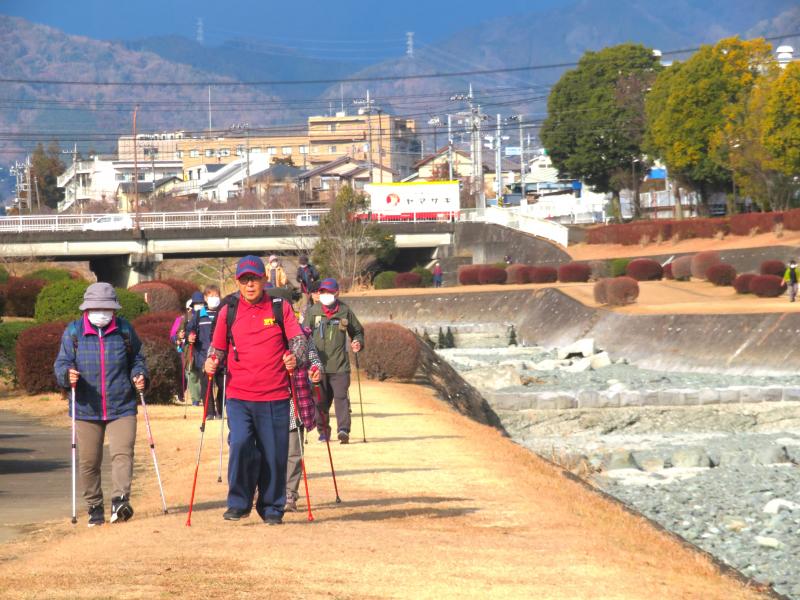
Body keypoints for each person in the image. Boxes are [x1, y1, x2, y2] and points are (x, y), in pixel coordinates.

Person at [204, 255, 307, 525]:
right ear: (238, 282)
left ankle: (272, 507)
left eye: (255, 278)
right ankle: (238, 502)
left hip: (275, 395)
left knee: (274, 454)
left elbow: (298, 340)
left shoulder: (279, 307)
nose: (250, 285)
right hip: (239, 395)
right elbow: (217, 348)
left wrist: (293, 357)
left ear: (264, 279)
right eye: (244, 279)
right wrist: (211, 361)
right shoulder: (229, 311)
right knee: (239, 444)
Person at [54, 282, 148, 527]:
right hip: (87, 407)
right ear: (87, 309)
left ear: (114, 310)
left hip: (122, 404)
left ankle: (120, 501)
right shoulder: (73, 332)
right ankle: (95, 506)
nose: (102, 312)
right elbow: (61, 364)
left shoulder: (125, 330)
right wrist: (67, 375)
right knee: (88, 461)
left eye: (107, 308)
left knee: (122, 453)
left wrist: (140, 375)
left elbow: (137, 359)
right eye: (96, 307)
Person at [305, 277, 364, 444]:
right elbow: (303, 334)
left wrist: (357, 342)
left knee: (341, 397)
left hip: (340, 365)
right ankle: (323, 431)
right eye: (323, 292)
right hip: (317, 365)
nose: (325, 294)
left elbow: (357, 331)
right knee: (320, 400)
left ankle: (343, 430)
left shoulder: (345, 311)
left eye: (329, 292)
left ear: (336, 293)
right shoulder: (313, 311)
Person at [285, 325, 323, 512]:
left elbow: (315, 359)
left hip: (297, 403)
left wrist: (316, 370)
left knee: (294, 452)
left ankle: (289, 495)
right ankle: (263, 490)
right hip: (267, 401)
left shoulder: (304, 335)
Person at [187, 285, 223, 418]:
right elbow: (189, 329)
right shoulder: (199, 315)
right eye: (211, 296)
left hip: (221, 357)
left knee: (223, 386)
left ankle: (220, 409)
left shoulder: (224, 312)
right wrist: (189, 336)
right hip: (203, 357)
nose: (214, 299)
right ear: (206, 298)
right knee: (206, 386)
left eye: (216, 296)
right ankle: (209, 413)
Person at [169, 299, 193, 403]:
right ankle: (180, 393)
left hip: (193, 349)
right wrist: (177, 338)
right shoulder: (180, 319)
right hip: (181, 349)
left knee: (191, 373)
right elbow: (172, 335)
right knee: (182, 372)